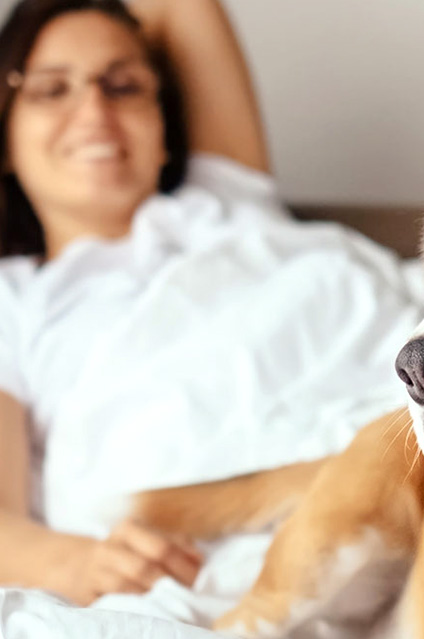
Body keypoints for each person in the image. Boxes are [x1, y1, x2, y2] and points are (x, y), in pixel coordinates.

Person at [0, 0, 271, 605]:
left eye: (122, 86)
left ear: (165, 132)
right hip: (195, 562)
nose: (93, 111)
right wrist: (81, 565)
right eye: (50, 91)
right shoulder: (12, 303)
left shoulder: (229, 206)